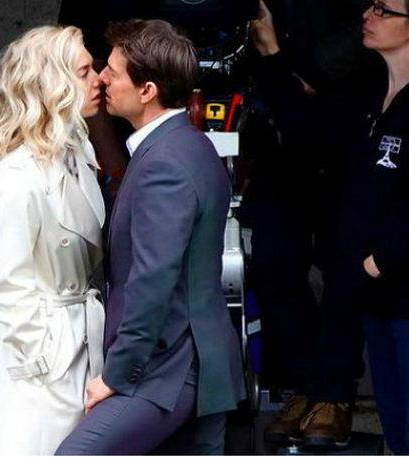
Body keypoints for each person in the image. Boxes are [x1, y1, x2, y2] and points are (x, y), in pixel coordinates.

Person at [252, 0, 409, 453]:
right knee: (400, 435)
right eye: (371, 6)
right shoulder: (368, 99)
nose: (367, 16)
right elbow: (308, 130)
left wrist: (377, 261)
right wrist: (274, 55)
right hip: (380, 300)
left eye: (383, 10)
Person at [56, 19, 245, 455]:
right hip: (193, 362)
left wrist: (116, 375)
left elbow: (153, 279)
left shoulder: (164, 163)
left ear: (147, 90)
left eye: (113, 72)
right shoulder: (191, 145)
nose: (102, 79)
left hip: (168, 370)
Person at [0, 25, 106, 455]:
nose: (98, 79)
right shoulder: (16, 177)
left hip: (78, 343)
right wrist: (43, 360)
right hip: (37, 362)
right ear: (53, 84)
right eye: (84, 72)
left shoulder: (78, 154)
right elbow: (9, 287)